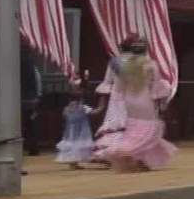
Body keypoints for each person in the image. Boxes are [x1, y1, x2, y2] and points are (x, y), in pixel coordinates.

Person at [92, 38, 175, 172]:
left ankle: (139, 160)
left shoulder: (123, 65)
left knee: (133, 128)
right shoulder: (150, 64)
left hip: (127, 100)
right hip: (143, 98)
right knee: (150, 128)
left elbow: (116, 85)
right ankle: (127, 151)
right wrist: (162, 103)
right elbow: (157, 86)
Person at [55, 83, 104, 169]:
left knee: (71, 144)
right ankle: (79, 162)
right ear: (81, 99)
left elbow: (64, 117)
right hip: (81, 131)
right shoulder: (83, 107)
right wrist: (102, 104)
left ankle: (73, 163)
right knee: (79, 144)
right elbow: (95, 112)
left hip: (70, 131)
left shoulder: (66, 108)